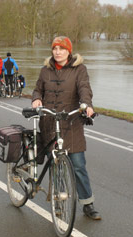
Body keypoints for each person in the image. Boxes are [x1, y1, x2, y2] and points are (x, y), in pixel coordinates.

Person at [31, 36, 101, 220]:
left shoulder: (79, 69)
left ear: (69, 51)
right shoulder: (45, 70)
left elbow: (84, 88)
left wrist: (87, 105)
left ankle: (87, 203)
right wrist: (36, 98)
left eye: (62, 49)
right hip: (49, 122)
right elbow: (38, 89)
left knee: (78, 165)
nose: (57, 52)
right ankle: (59, 201)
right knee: (56, 166)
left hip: (71, 124)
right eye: (55, 48)